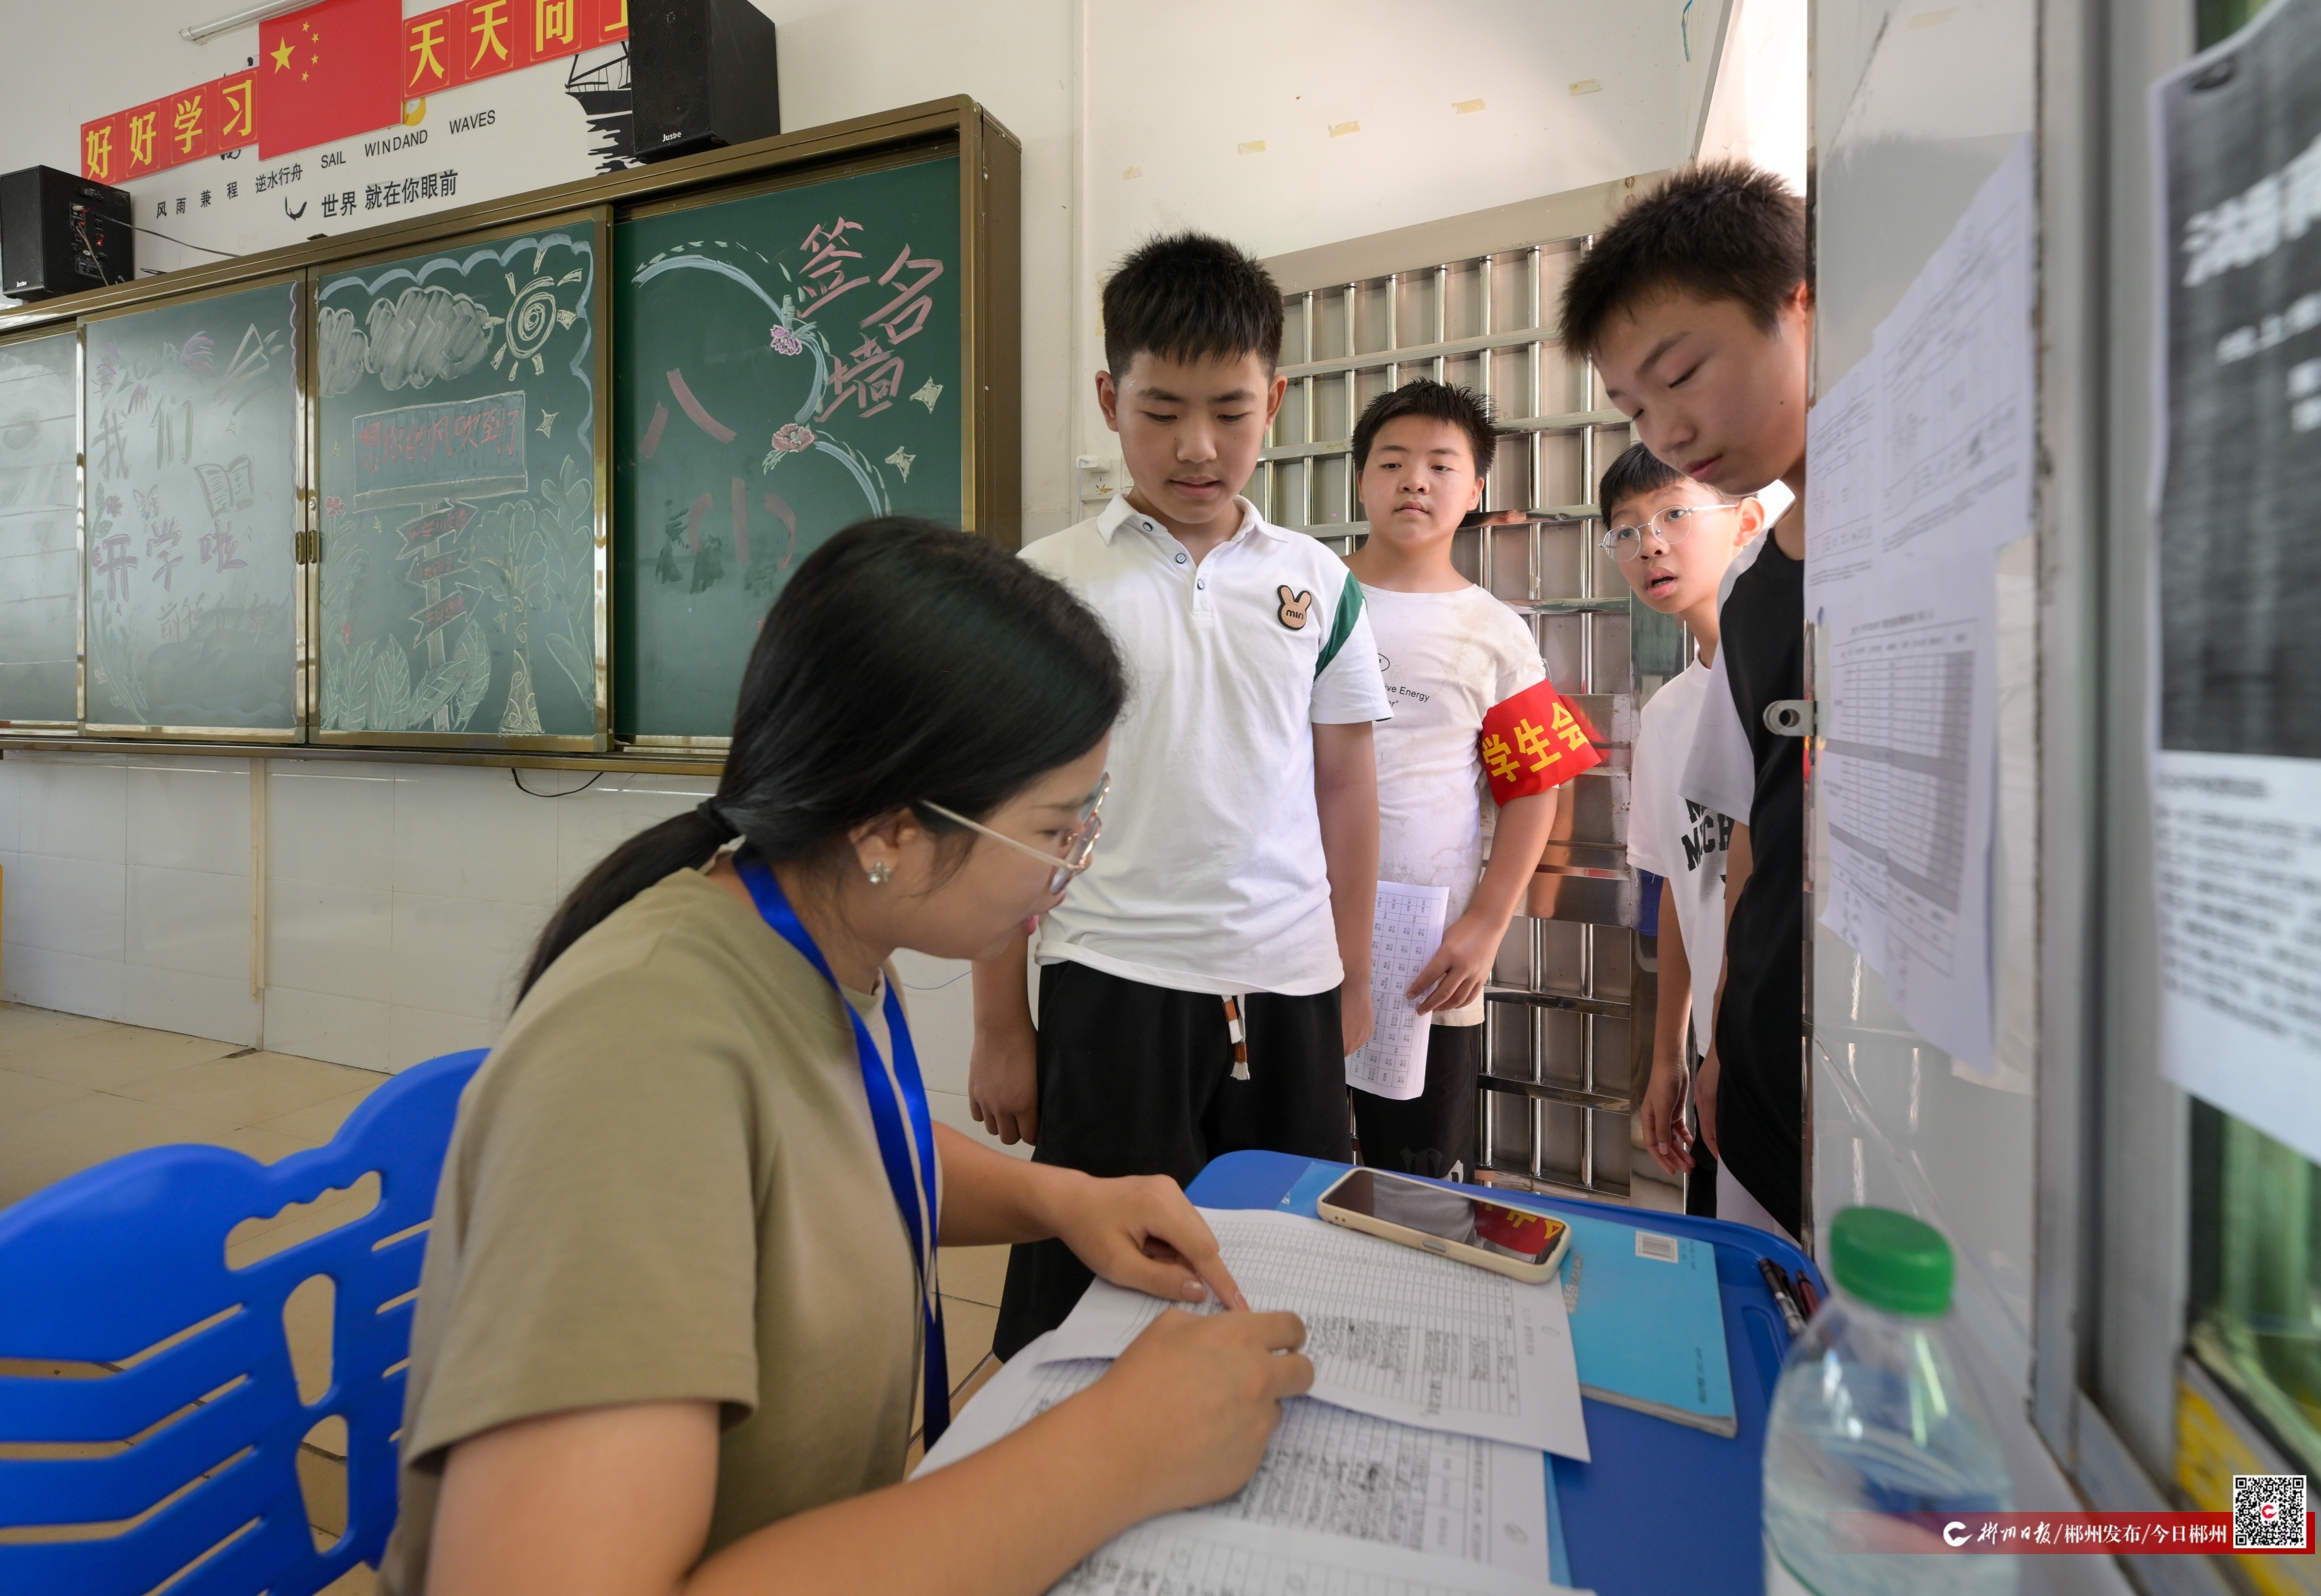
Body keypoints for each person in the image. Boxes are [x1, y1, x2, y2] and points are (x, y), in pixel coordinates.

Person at [381, 520, 1315, 1596]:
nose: (1071, 868)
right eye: (1057, 831)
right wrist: (1116, 1450)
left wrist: (1059, 1199)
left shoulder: (826, 945)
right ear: (889, 833)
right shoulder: (640, 1059)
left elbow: (829, 1153)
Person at [970, 233, 1391, 1360]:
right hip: (1110, 979)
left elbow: (1347, 786)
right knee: (1092, 1298)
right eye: (1160, 412)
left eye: (1229, 411)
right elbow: (1002, 811)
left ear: (1274, 403)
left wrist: (1350, 971)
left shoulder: (1320, 581)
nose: (1196, 447)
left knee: (1287, 1273)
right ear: (1110, 401)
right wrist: (1001, 1023)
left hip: (1289, 981)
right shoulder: (1047, 581)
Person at [1559, 161, 1810, 1242]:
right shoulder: (1755, 613)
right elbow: (1725, 860)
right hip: (1755, 1059)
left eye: (1682, 375)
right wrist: (1699, 1046)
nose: (1665, 427)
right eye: (1633, 408)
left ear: (1800, 305)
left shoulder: (1892, 547)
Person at [1339, 378, 1593, 1180]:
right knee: (1290, 1158)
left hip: (1429, 949)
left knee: (1414, 1177)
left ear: (1475, 489)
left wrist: (1486, 924)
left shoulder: (1494, 633)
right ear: (1361, 479)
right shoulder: (1306, 598)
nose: (1414, 481)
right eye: (1391, 462)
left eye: (1440, 466)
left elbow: (1534, 787)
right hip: (1294, 925)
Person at [1595, 443, 1764, 1214]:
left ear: (1746, 521)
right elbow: (1675, 885)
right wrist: (1668, 1055)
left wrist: (1728, 1042)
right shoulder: (1666, 716)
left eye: (1673, 515)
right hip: (1713, 1050)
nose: (1649, 545)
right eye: (1626, 530)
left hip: (1775, 1039)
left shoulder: (1797, 683)